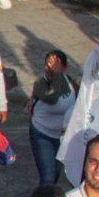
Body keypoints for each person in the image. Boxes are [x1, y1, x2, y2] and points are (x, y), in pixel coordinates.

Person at [26, 50, 77, 186]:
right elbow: (52, 98)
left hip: (62, 138)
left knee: (55, 176)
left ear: (64, 67)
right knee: (47, 178)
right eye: (48, 65)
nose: (50, 69)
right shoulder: (41, 84)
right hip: (42, 135)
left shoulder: (71, 83)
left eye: (55, 65)